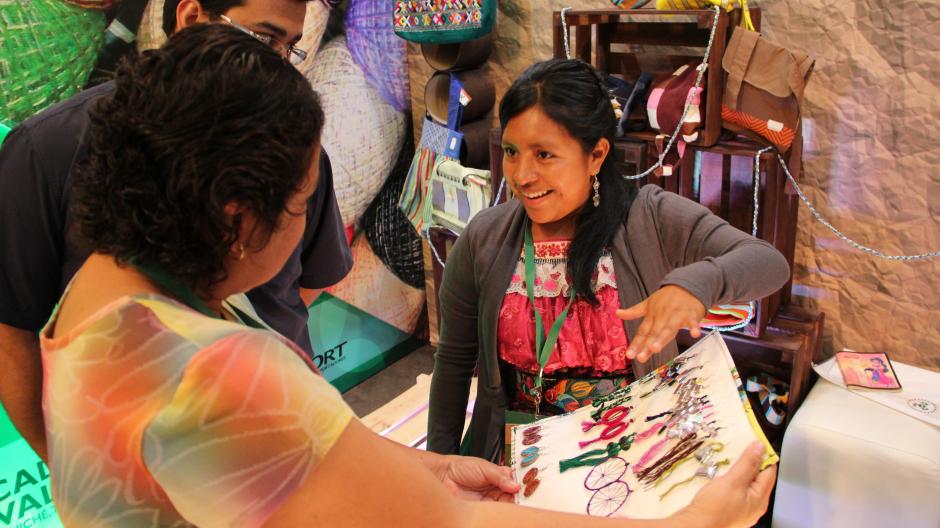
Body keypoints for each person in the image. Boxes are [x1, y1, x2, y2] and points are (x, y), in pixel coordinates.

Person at [42, 25, 774, 528]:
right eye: (305, 204)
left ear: (597, 155)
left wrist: (428, 471)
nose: (311, 233)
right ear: (236, 216)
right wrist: (694, 521)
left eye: (545, 154)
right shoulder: (219, 372)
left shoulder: (98, 295)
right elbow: (448, 520)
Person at [0, 0, 349, 462]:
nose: (278, 65)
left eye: (290, 48)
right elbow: (13, 330)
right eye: (264, 41)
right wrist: (68, 464)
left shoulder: (296, 149)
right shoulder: (49, 151)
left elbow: (310, 279)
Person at [427, 59, 791, 461]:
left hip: (629, 460)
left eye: (544, 154)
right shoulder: (485, 237)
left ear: (596, 154)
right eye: (512, 152)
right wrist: (438, 467)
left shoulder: (648, 218)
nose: (522, 175)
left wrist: (695, 284)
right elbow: (454, 364)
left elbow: (767, 262)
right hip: (516, 461)